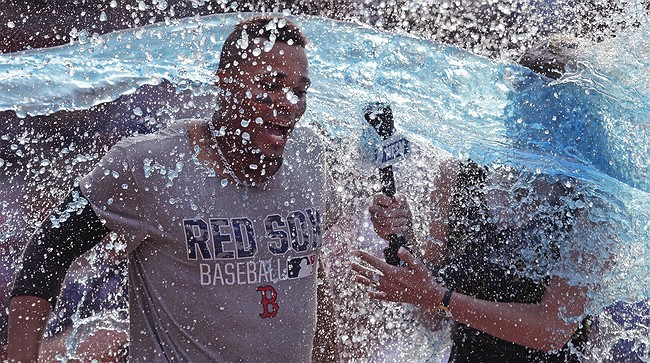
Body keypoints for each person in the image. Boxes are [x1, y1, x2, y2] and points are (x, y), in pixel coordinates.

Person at [8, 15, 339, 362]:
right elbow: (50, 246)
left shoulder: (309, 155)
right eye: (272, 85)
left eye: (300, 90)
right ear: (226, 83)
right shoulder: (151, 165)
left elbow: (306, 265)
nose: (290, 103)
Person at [352, 156, 595, 362]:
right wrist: (404, 241)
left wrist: (438, 298)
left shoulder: (593, 196)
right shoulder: (456, 175)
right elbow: (433, 318)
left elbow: (552, 330)